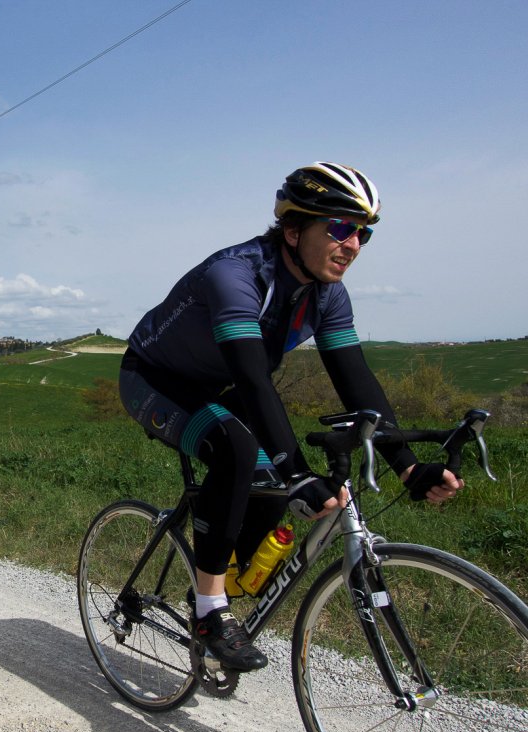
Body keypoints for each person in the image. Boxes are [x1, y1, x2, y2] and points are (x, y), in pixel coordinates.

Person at [119, 162, 464, 672]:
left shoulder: (329, 295)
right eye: (342, 228)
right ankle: (209, 611)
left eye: (363, 234)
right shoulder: (235, 275)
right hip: (154, 380)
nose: (353, 245)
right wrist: (299, 471)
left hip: (223, 386)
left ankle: (228, 573)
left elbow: (357, 382)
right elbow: (255, 379)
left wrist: (408, 466)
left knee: (274, 478)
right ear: (293, 228)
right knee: (238, 451)